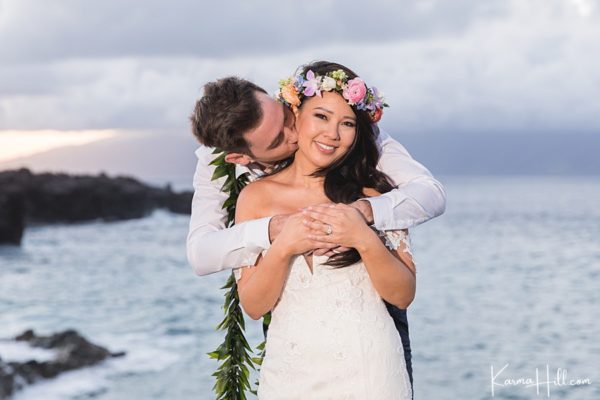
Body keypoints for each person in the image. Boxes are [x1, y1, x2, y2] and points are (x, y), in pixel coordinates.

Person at [188, 61, 447, 388]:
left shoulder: (366, 163)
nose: (294, 131)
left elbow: (430, 194)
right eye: (278, 138)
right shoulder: (243, 188)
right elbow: (202, 255)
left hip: (370, 357)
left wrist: (363, 220)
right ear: (241, 158)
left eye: (286, 117)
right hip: (293, 360)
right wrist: (278, 234)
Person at [234, 61, 415, 398]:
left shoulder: (374, 194)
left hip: (370, 369)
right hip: (290, 374)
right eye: (321, 116)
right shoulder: (256, 197)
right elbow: (254, 305)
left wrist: (363, 238)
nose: (333, 133)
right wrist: (284, 246)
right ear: (295, 116)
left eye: (346, 123)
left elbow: (403, 293)